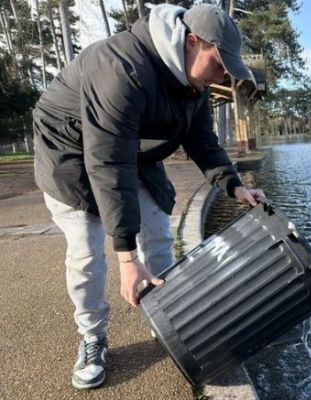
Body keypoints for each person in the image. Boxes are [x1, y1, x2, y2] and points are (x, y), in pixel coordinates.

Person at [32, 3, 263, 390]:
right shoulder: (122, 67)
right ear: (192, 42)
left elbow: (202, 141)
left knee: (157, 225)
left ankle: (168, 316)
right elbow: (109, 162)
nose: (222, 75)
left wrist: (234, 185)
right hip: (68, 149)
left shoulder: (194, 85)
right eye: (219, 64)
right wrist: (127, 256)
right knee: (88, 247)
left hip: (129, 145)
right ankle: (92, 336)